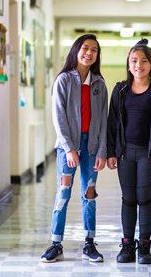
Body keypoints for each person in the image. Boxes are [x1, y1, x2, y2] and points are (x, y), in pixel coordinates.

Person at [40, 34, 108, 263]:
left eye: (94, 50)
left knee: (89, 194)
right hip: (67, 147)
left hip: (91, 147)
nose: (89, 53)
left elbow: (103, 120)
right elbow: (58, 118)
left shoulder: (99, 83)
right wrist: (69, 148)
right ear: (76, 50)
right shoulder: (64, 80)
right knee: (63, 193)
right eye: (85, 48)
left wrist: (102, 151)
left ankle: (89, 242)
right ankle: (55, 244)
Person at [106, 38, 151, 264]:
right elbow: (112, 123)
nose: (139, 65)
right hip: (125, 154)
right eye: (134, 61)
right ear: (128, 64)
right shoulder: (120, 90)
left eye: (144, 61)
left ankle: (144, 246)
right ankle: (127, 246)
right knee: (128, 199)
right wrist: (111, 152)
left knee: (144, 199)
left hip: (148, 154)